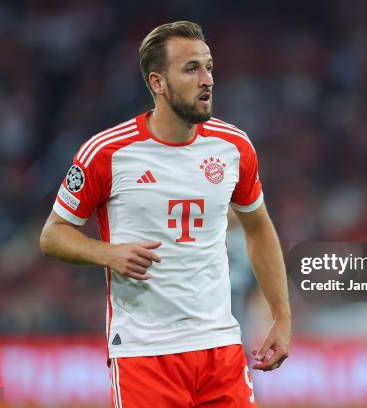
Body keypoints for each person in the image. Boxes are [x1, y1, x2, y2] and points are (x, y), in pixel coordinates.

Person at [39, 21, 290, 407]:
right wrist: (109, 254)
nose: (206, 79)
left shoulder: (233, 147)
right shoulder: (107, 152)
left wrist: (281, 316)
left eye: (208, 67)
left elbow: (258, 228)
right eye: (191, 69)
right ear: (157, 82)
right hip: (144, 352)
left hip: (219, 347)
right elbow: (53, 235)